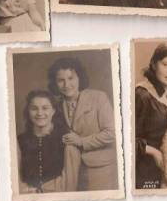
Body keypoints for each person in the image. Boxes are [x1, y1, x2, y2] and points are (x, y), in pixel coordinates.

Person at [48, 57, 117, 191]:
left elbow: (112, 133)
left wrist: (81, 141)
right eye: (60, 80)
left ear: (80, 77)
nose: (66, 84)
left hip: (100, 169)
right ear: (55, 83)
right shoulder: (55, 106)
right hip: (69, 171)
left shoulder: (98, 97)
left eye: (71, 78)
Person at [135, 42, 167, 189]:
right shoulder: (142, 95)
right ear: (154, 64)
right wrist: (154, 152)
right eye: (166, 64)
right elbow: (127, 140)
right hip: (146, 168)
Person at [17, 90, 78, 193]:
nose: (40, 113)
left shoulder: (66, 138)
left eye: (45, 108)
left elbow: (70, 181)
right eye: (34, 108)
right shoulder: (20, 141)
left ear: (53, 110)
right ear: (28, 111)